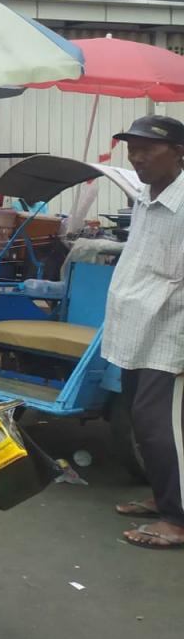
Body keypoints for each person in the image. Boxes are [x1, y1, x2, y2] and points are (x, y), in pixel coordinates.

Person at [102, 116, 184, 550]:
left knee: (160, 426)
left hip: (172, 334)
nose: (136, 157)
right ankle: (165, 497)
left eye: (148, 148)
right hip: (137, 328)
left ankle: (177, 519)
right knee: (141, 417)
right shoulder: (144, 198)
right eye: (132, 148)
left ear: (178, 152)